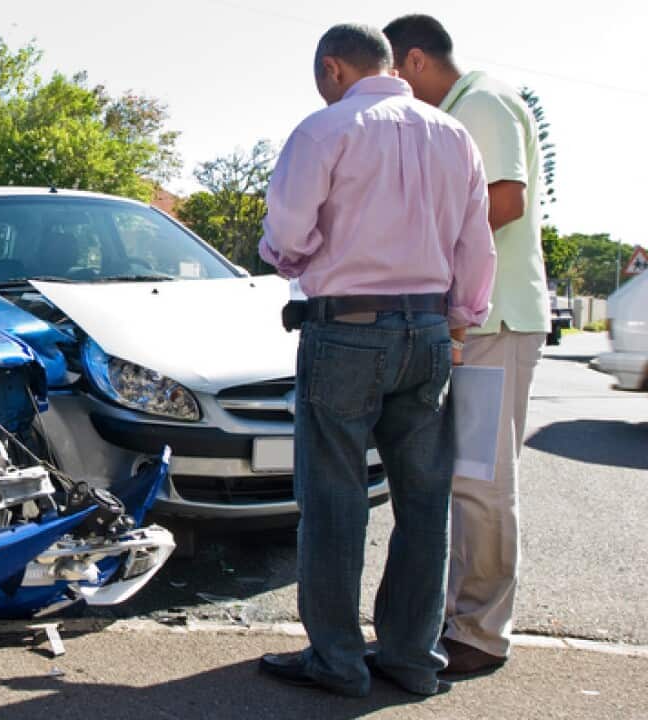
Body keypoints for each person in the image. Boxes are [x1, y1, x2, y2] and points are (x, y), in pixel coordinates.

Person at [255, 23, 496, 697]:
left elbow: (288, 236)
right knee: (423, 503)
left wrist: (288, 257)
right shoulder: (452, 135)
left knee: (335, 501)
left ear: (334, 69)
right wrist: (457, 321)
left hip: (347, 331)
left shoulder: (326, 130)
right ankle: (412, 659)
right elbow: (477, 247)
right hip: (427, 333)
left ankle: (336, 660)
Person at [384, 14, 551, 676]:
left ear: (416, 61)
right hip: (472, 324)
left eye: (392, 74)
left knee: (481, 482)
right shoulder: (456, 109)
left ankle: (480, 634)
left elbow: (505, 200)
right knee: (464, 480)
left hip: (497, 322)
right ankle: (457, 620)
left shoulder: (480, 103)